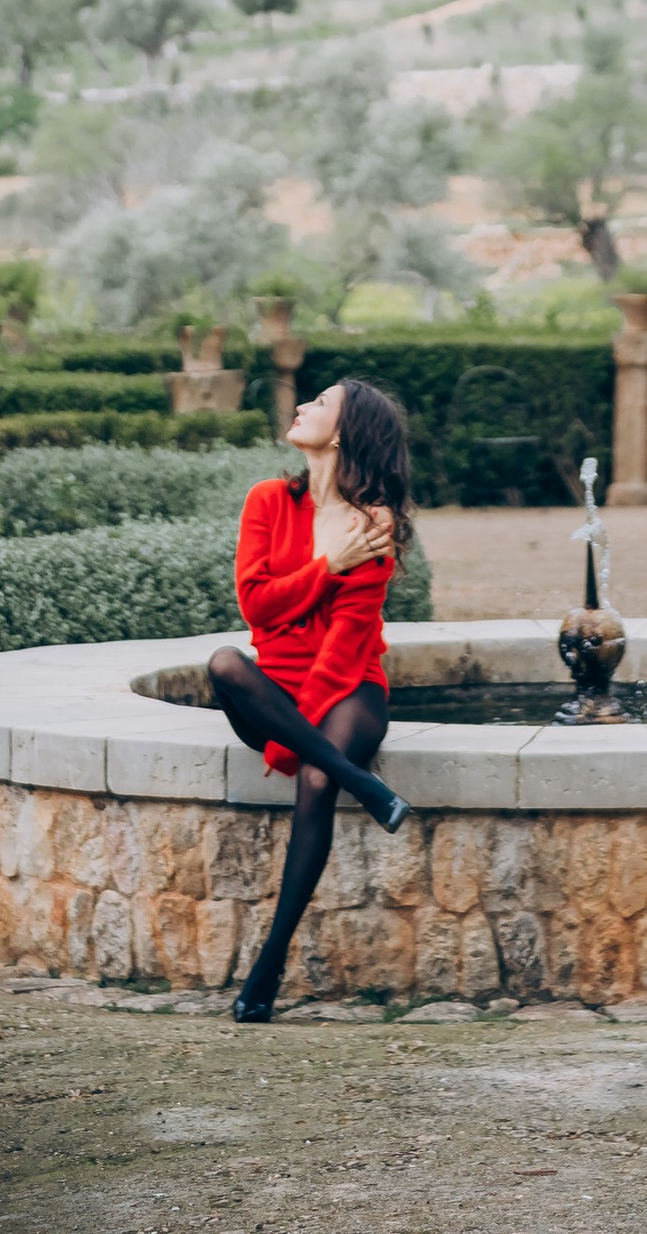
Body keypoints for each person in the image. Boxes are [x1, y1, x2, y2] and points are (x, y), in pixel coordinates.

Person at [206, 372, 415, 1020]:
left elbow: (347, 643)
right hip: (271, 687)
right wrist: (327, 567)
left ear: (345, 432)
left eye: (320, 403)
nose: (302, 405)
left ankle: (269, 965)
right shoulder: (269, 500)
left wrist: (300, 739)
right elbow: (257, 607)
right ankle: (366, 785)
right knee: (224, 664)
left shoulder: (373, 525)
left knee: (318, 780)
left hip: (350, 688)